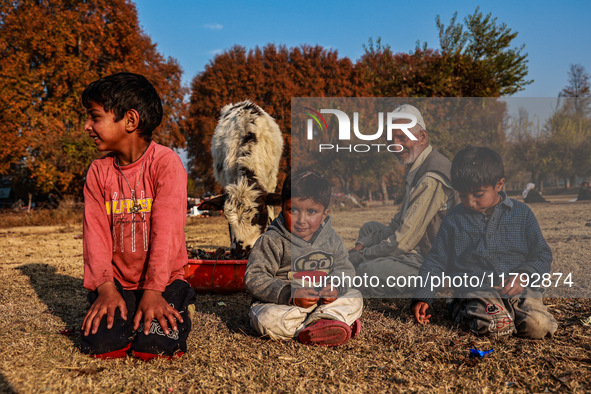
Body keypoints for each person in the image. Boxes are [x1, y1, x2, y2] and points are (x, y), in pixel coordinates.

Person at [80, 72, 196, 360]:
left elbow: (166, 233)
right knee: (104, 345)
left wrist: (155, 290)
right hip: (118, 282)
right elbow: (95, 236)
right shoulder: (98, 172)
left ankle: (179, 300)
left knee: (154, 348)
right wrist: (105, 288)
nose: (87, 126)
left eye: (95, 117)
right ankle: (123, 306)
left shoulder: (165, 164)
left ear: (130, 121)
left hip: (164, 281)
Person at [412, 147, 557, 339]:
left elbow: (542, 254)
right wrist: (423, 295)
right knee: (495, 326)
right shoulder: (453, 220)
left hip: (520, 291)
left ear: (499, 184)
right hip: (476, 291)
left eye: (478, 194)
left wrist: (523, 276)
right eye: (463, 195)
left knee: (538, 327)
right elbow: (435, 261)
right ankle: (459, 307)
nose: (470, 202)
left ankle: (513, 313)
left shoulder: (522, 214)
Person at [349, 104, 458, 297]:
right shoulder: (418, 165)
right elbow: (399, 223)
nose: (396, 146)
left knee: (367, 271)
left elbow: (403, 241)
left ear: (422, 137)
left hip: (433, 259)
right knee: (369, 229)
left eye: (402, 138)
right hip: (418, 246)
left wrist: (361, 255)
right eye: (391, 139)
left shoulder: (431, 176)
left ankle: (435, 284)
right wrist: (365, 244)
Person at [245, 170, 363, 346]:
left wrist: (335, 286)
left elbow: (344, 269)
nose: (301, 219)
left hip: (322, 304)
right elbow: (255, 277)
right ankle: (328, 324)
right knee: (265, 318)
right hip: (286, 307)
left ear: (324, 213)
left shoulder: (332, 240)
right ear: (282, 207)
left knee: (355, 296)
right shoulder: (272, 240)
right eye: (293, 210)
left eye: (312, 211)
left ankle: (324, 320)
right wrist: (289, 294)